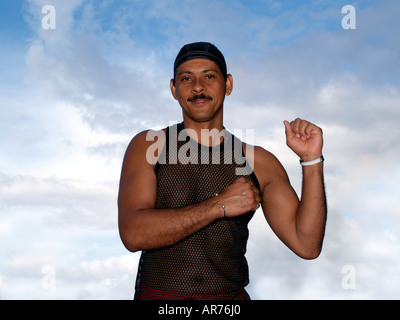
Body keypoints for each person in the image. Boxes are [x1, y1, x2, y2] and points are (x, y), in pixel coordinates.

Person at [118, 42, 327, 300]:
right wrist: (219, 205)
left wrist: (311, 160)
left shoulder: (258, 162)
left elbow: (306, 245)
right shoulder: (150, 146)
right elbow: (133, 233)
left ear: (227, 84)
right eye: (186, 78)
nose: (198, 87)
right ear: (174, 89)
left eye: (209, 76)